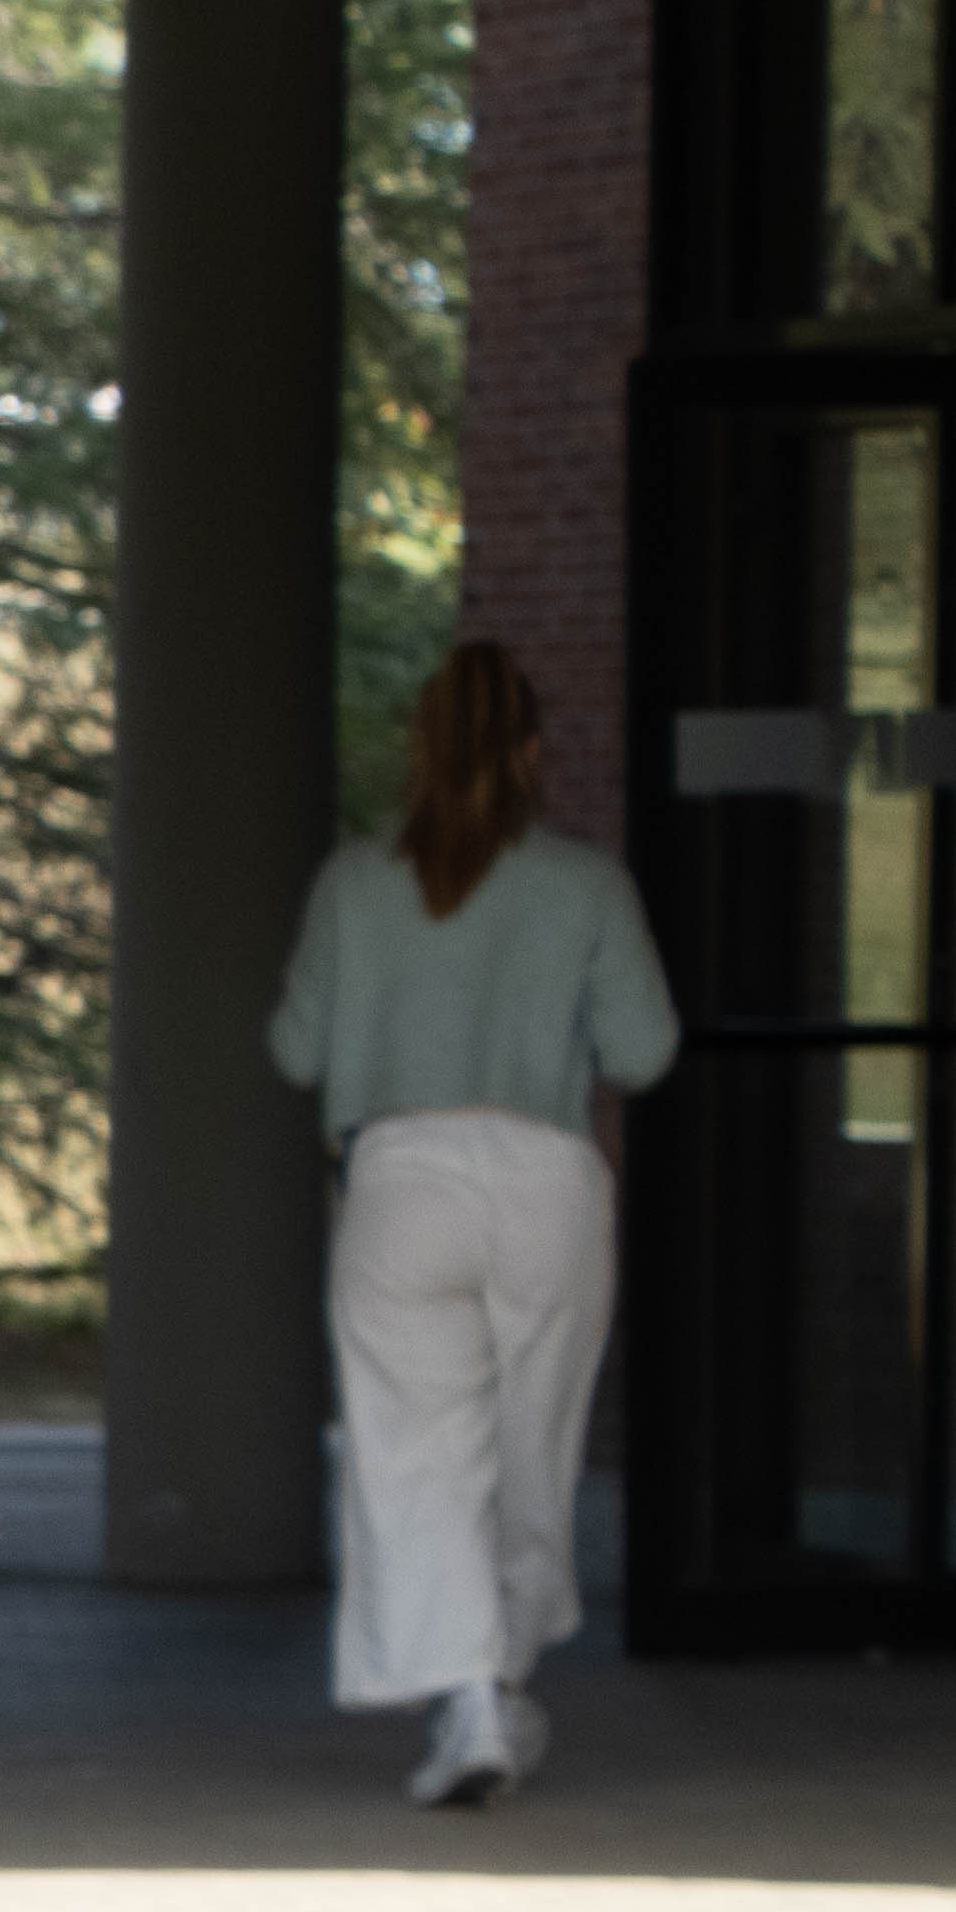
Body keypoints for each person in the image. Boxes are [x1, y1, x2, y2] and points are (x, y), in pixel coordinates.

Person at [270, 640, 676, 1810]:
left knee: (416, 1459)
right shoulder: (585, 886)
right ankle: (497, 1672)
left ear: (418, 751)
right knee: (530, 1450)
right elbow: (642, 1051)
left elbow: (297, 1048)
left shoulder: (354, 881)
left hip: (400, 1177)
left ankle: (465, 1699)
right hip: (547, 1175)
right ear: (532, 752)